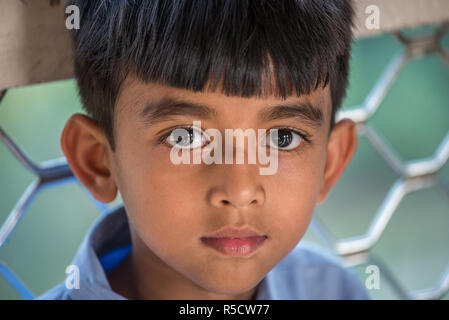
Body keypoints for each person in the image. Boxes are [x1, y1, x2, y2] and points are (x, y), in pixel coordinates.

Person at [37, 0, 369, 299]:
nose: (239, 191)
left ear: (330, 163)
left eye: (283, 138)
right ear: (98, 160)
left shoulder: (335, 291)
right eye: (185, 138)